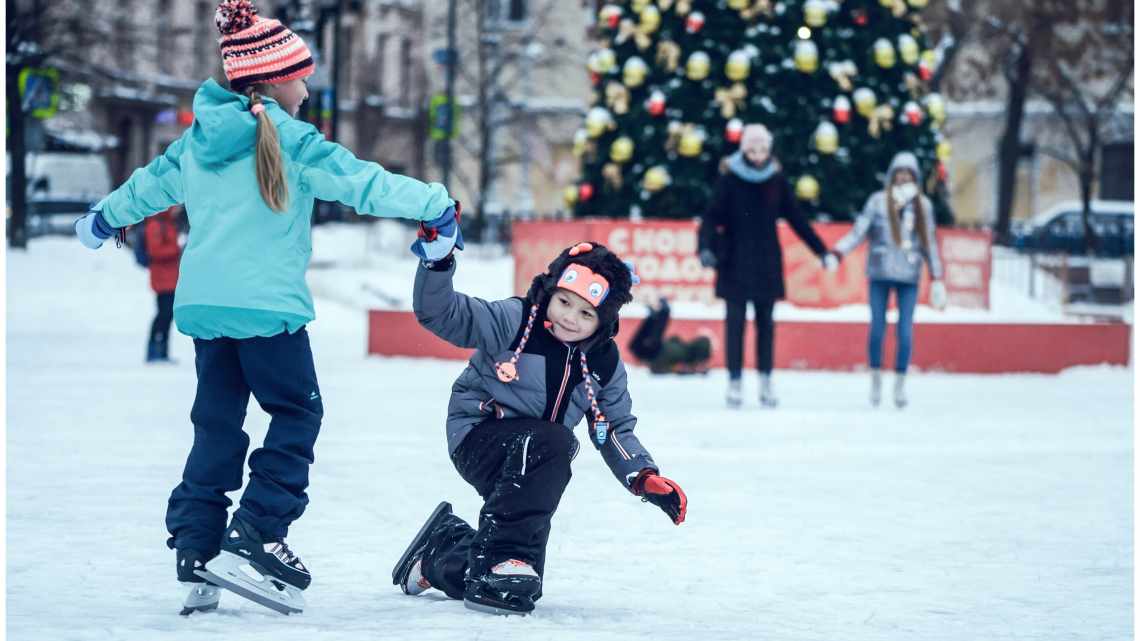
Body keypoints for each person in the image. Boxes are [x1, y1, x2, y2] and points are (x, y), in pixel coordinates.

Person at [73, 0, 457, 616]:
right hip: (267, 312)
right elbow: (363, 181)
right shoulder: (295, 140)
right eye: (303, 75)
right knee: (297, 414)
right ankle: (257, 532)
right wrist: (434, 203)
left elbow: (146, 186)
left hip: (205, 311)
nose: (309, 87)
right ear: (275, 80)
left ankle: (197, 550)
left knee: (216, 426)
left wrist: (102, 218)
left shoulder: (195, 144)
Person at [391, 240, 687, 616]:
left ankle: (442, 553)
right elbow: (443, 313)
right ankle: (499, 560)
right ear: (549, 291)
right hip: (478, 436)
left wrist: (642, 475)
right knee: (553, 446)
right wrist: (437, 264)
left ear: (604, 321)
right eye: (563, 302)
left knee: (521, 585)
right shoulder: (514, 321)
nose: (569, 318)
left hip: (536, 461)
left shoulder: (603, 364)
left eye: (585, 313)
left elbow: (612, 426)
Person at [698, 123, 832, 408]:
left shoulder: (776, 179)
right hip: (734, 260)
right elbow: (711, 217)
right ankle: (734, 381)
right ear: (744, 150)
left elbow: (797, 218)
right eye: (753, 149)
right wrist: (705, 248)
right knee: (735, 324)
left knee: (766, 325)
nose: (758, 155)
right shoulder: (730, 179)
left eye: (763, 149)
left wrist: (821, 251)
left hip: (766, 262)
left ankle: (766, 380)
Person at [831, 151, 946, 408]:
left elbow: (929, 243)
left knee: (905, 331)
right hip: (880, 271)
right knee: (877, 328)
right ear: (892, 175)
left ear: (915, 177)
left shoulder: (922, 206)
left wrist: (937, 276)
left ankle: (900, 384)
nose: (903, 177)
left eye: (909, 173)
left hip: (909, 274)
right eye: (899, 172)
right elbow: (859, 231)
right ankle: (875, 379)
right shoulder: (878, 202)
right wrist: (838, 252)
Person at [145, 205, 183, 364]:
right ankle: (154, 351)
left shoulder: (168, 223)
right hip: (162, 280)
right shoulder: (156, 224)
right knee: (163, 315)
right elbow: (154, 250)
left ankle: (163, 352)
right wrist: (176, 249)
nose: (176, 211)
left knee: (167, 316)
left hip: (171, 279)